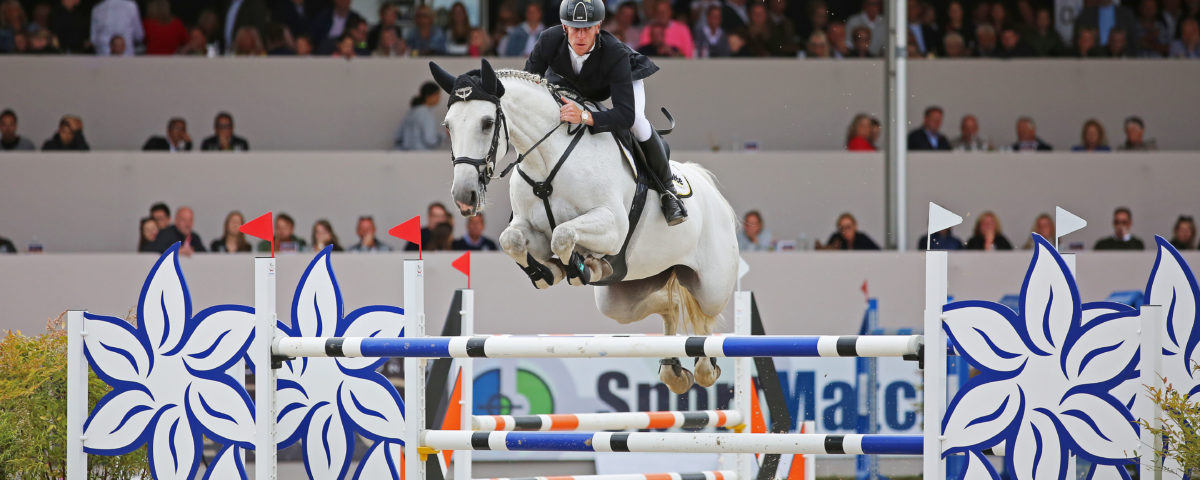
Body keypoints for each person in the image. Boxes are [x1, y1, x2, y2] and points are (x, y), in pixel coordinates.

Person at [523, 0, 687, 225]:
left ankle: (668, 192)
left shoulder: (615, 52)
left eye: (587, 29)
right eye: (575, 29)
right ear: (564, 27)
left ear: (598, 27)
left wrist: (584, 117)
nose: (581, 36)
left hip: (619, 80)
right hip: (570, 82)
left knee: (637, 122)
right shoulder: (548, 40)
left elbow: (624, 116)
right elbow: (528, 86)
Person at [395, 82, 445, 151]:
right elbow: (430, 140)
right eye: (438, 95)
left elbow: (398, 136)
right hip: (420, 155)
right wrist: (444, 136)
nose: (439, 98)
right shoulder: (426, 113)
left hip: (405, 154)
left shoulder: (411, 111)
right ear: (431, 95)